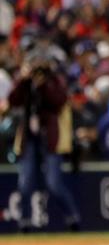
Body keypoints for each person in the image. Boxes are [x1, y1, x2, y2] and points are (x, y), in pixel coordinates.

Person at [9, 53, 82, 231]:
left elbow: (58, 100)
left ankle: (72, 218)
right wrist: (23, 80)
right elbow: (13, 100)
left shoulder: (53, 81)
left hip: (50, 139)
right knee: (25, 183)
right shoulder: (27, 84)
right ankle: (24, 222)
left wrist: (44, 84)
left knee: (54, 184)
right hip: (30, 140)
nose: (38, 71)